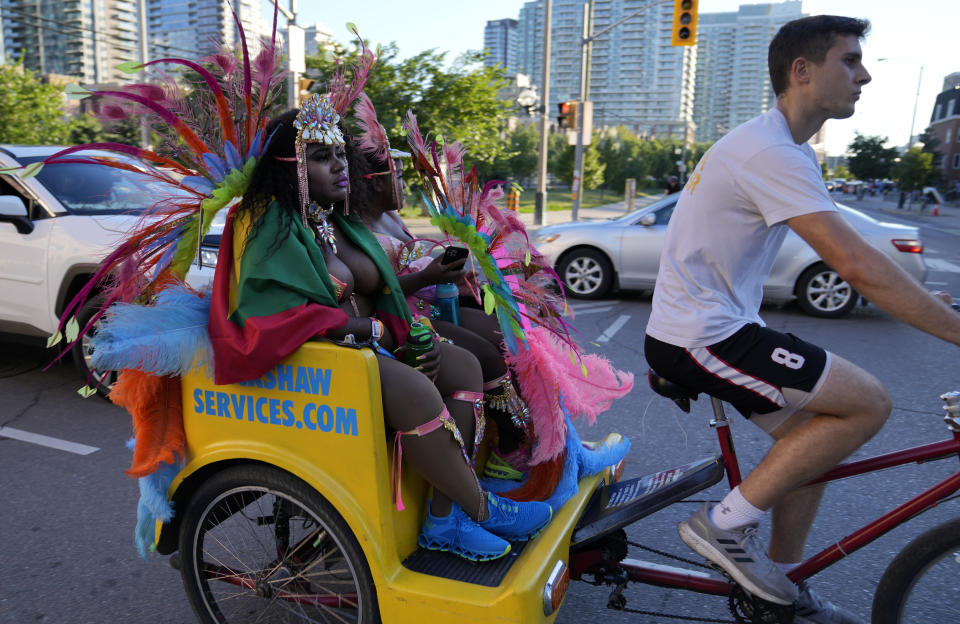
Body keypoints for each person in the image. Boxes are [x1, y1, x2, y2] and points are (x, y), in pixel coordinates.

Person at [643, 15, 960, 623]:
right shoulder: (770, 152)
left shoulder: (781, 148)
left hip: (716, 328)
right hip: (702, 338)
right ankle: (723, 525)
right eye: (850, 60)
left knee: (814, 442)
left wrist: (927, 305)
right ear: (802, 70)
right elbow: (855, 265)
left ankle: (777, 589)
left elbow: (856, 252)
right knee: (868, 403)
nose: (864, 75)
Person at [210, 96, 552, 563]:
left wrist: (417, 308)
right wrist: (377, 333)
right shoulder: (268, 223)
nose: (339, 166)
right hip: (318, 356)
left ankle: (443, 518)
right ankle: (483, 508)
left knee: (467, 366)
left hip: (369, 343)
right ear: (290, 167)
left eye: (340, 154)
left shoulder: (335, 219)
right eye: (320, 156)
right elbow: (276, 315)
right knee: (417, 391)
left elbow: (381, 290)